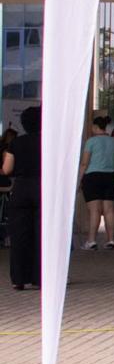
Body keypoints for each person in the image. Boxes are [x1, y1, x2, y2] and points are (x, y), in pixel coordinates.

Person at [3, 107, 41, 289]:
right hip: (43, 188)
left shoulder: (16, 143)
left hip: (21, 188)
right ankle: (40, 277)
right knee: (41, 234)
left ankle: (19, 279)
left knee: (19, 235)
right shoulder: (48, 142)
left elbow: (7, 169)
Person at [80, 116, 114, 249]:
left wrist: (79, 179)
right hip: (110, 176)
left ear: (95, 127)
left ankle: (91, 240)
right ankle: (111, 240)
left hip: (92, 177)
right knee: (109, 210)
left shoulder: (91, 142)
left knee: (95, 210)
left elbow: (84, 163)